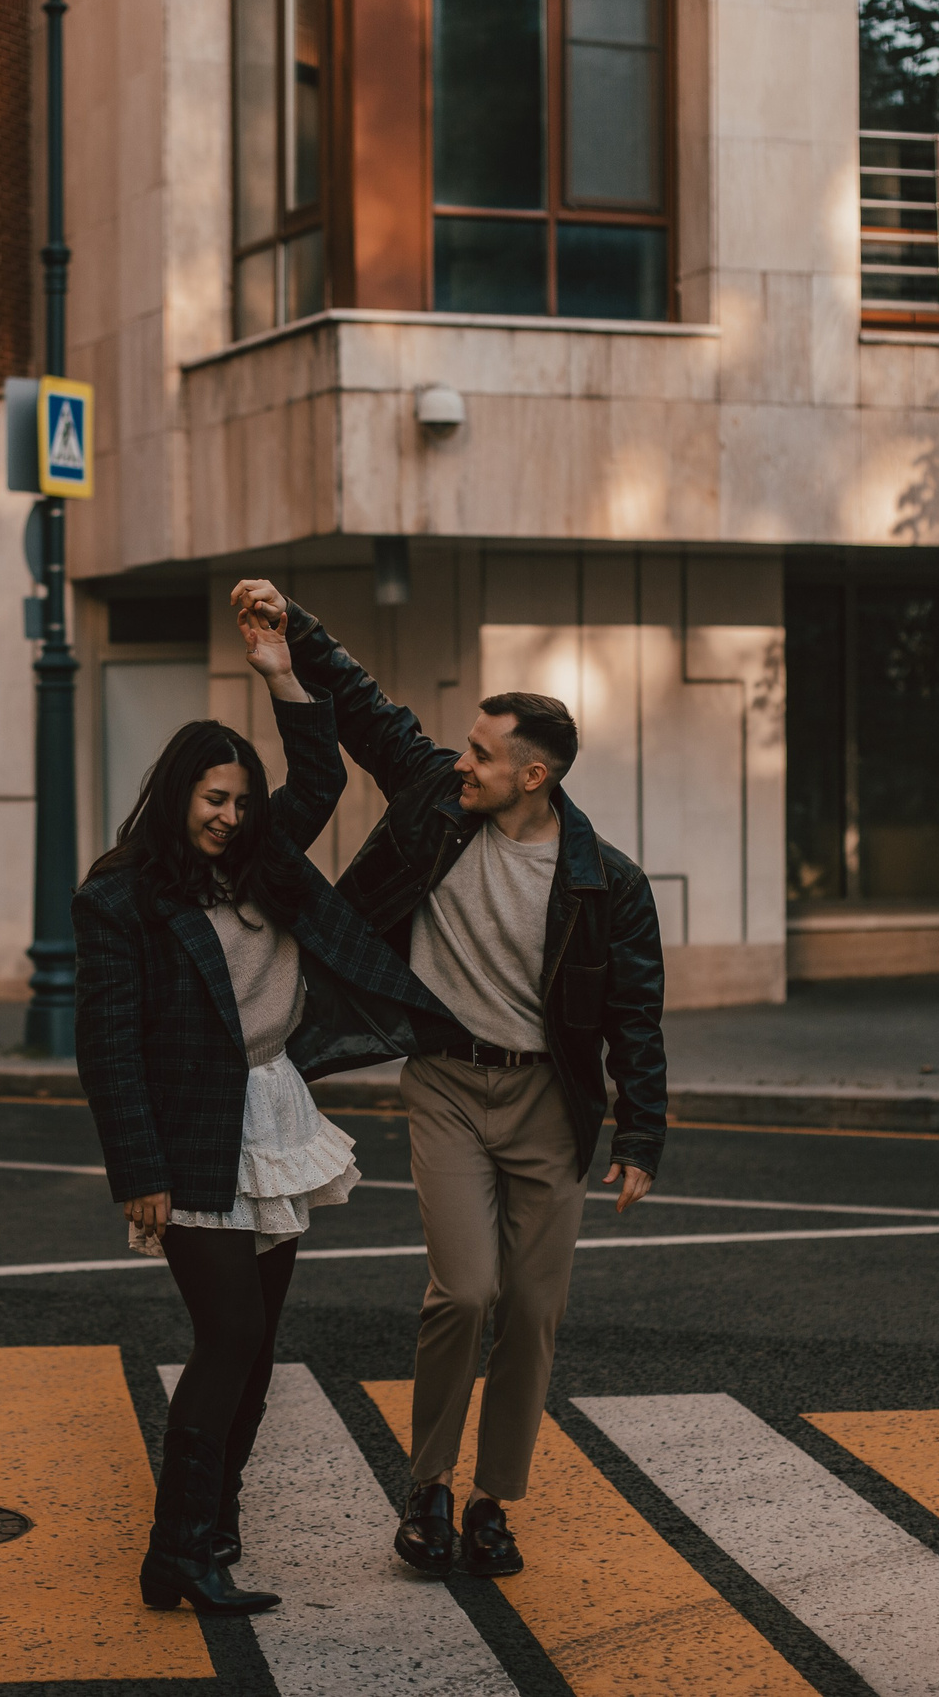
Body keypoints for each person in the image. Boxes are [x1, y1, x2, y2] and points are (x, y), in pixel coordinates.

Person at [230, 579, 667, 1581]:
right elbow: (364, 708)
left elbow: (633, 1017)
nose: (460, 761)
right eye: (465, 747)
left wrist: (641, 1134)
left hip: (548, 1105)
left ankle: (491, 1501)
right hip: (446, 1084)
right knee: (464, 1294)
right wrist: (294, 629)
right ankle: (426, 1485)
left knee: (533, 1312)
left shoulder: (608, 883)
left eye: (482, 753)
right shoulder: (435, 798)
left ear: (532, 776)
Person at [74, 602, 466, 1617]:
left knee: (255, 1342)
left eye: (243, 801)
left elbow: (323, 777)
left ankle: (213, 1526)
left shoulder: (262, 859)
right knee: (229, 1336)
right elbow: (107, 1046)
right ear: (176, 795)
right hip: (192, 1133)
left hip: (273, 1111)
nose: (230, 816)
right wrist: (139, 1172)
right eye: (214, 798)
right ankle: (175, 1551)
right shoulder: (119, 898)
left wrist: (281, 673)